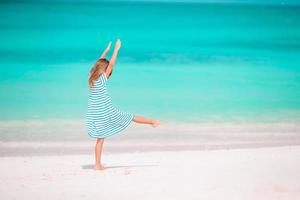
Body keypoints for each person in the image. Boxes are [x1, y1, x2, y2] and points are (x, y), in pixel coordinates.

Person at [86, 39, 164, 170]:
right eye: (108, 72)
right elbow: (110, 65)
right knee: (130, 116)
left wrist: (105, 51)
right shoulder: (102, 80)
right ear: (105, 72)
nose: (109, 74)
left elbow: (98, 64)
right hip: (106, 112)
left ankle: (97, 164)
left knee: (100, 139)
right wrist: (116, 50)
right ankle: (152, 122)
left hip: (95, 114)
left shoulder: (91, 79)